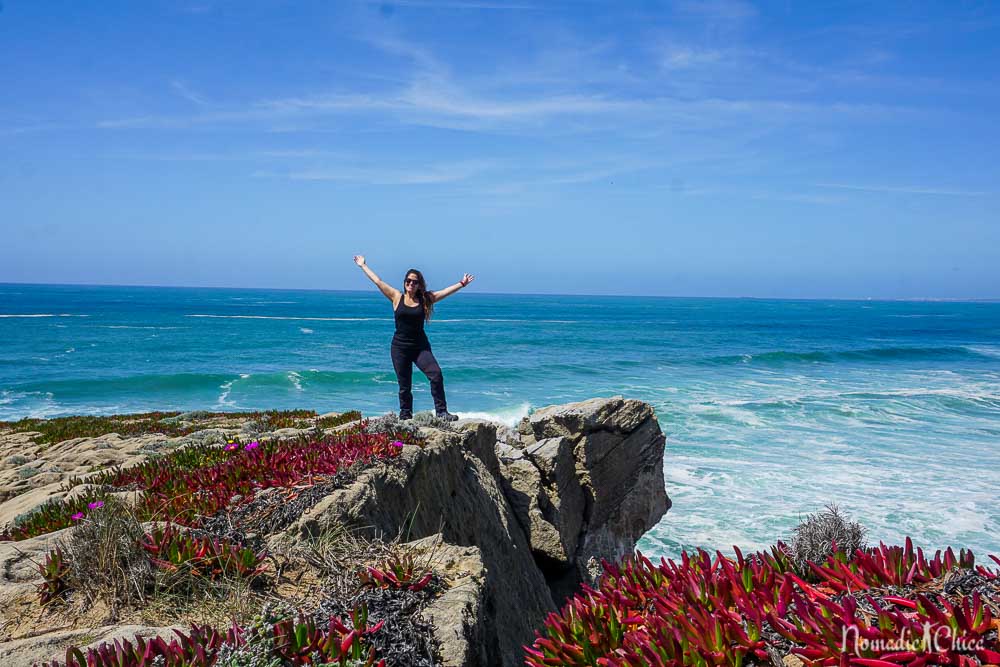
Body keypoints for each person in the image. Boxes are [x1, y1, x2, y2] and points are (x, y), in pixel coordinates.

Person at [353, 255, 474, 421]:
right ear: (404, 282)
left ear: (419, 285)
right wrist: (363, 265)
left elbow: (443, 293)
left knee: (436, 375)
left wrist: (461, 284)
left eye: (415, 282)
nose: (411, 284)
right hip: (399, 348)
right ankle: (405, 416)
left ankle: (441, 412)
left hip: (420, 347)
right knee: (404, 386)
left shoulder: (425, 299)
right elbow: (378, 281)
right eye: (408, 281)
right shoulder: (396, 297)